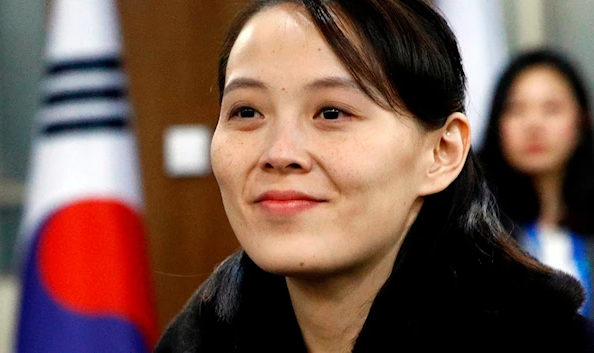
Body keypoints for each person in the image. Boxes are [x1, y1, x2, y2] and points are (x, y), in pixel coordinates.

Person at [155, 1, 594, 352]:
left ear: (442, 151)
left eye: (331, 112)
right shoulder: (198, 340)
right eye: (246, 111)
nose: (279, 154)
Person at [479, 49, 594, 319]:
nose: (534, 124)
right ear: (497, 123)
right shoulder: (474, 230)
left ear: (581, 121)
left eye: (551, 109)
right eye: (516, 109)